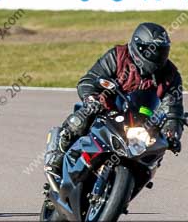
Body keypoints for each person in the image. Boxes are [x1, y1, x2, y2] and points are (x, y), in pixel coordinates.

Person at [47, 22, 183, 176]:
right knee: (80, 119)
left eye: (162, 51)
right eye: (153, 51)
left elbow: (174, 109)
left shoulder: (171, 75)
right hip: (106, 111)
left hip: (143, 123)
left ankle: (133, 181)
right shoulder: (117, 56)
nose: (158, 56)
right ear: (139, 48)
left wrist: (172, 132)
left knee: (157, 151)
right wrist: (92, 99)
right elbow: (89, 80)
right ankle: (56, 160)